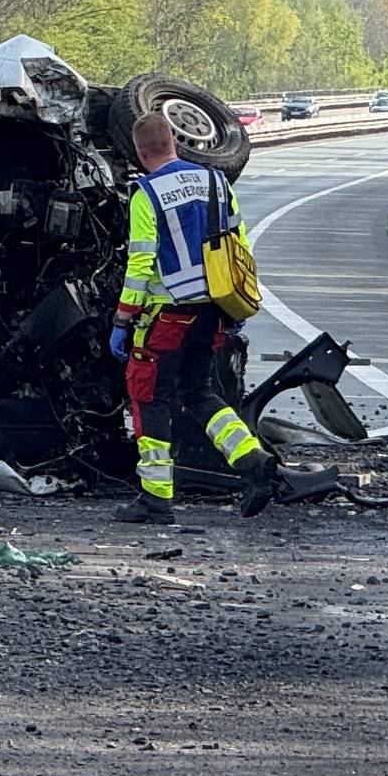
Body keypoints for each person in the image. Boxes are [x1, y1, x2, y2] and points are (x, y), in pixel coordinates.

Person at [109, 112, 279, 525]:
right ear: (174, 141)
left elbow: (141, 262)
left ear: (139, 151)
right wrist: (235, 308)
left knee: (149, 398)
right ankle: (253, 462)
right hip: (214, 311)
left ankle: (156, 499)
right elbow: (238, 244)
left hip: (168, 314)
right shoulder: (215, 182)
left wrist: (123, 318)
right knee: (200, 392)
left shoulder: (145, 194)